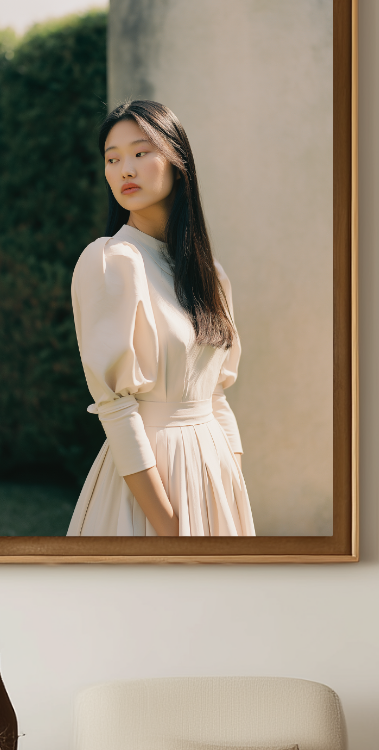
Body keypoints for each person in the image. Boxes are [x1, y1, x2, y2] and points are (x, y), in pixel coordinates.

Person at [67, 99, 256, 537]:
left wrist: (231, 483)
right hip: (148, 485)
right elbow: (116, 408)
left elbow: (216, 396)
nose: (124, 170)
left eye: (140, 152)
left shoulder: (211, 277)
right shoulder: (112, 261)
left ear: (177, 161)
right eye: (112, 160)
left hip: (213, 475)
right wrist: (170, 526)